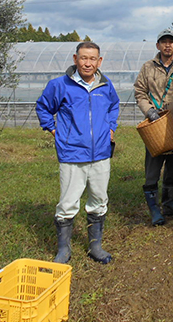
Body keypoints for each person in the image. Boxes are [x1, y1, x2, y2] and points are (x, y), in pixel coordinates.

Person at [36, 42, 119, 264]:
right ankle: (64, 250)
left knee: (99, 200)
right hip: (72, 154)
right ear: (75, 59)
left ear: (99, 61)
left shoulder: (105, 85)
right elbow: (43, 107)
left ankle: (96, 246)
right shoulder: (60, 85)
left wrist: (111, 127)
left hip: (101, 153)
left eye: (92, 59)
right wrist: (53, 129)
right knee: (67, 202)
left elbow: (114, 106)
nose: (88, 63)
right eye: (83, 58)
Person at [134, 29, 173, 226]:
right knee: (152, 169)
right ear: (157, 45)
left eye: (171, 42)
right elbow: (140, 92)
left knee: (172, 168)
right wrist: (149, 111)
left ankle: (169, 204)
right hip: (154, 125)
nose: (167, 45)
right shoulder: (148, 68)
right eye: (163, 42)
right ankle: (154, 210)